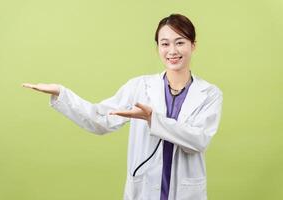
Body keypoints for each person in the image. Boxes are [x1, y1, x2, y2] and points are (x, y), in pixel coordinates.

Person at [22, 13, 223, 200]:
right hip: (143, 189)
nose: (172, 51)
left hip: (186, 192)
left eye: (180, 42)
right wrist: (61, 93)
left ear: (193, 45)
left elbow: (199, 140)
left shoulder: (210, 94)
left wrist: (153, 118)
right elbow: (100, 120)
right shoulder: (139, 87)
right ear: (157, 48)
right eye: (165, 43)